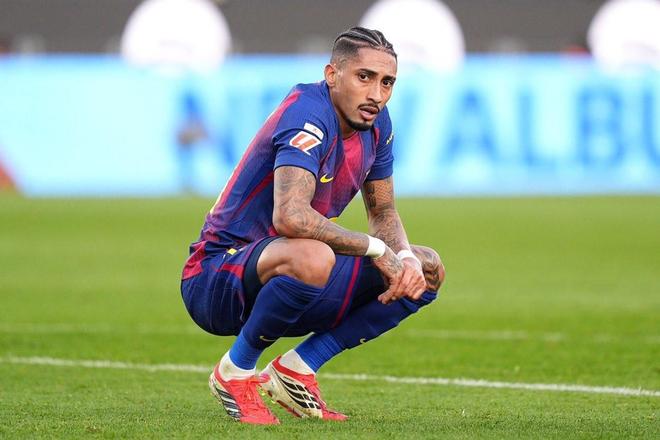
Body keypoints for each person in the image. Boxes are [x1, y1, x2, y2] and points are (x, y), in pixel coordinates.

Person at [180, 27, 445, 425]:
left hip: (290, 276)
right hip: (215, 278)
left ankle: (298, 368)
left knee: (424, 269)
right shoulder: (308, 114)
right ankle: (235, 371)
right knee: (312, 255)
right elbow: (291, 217)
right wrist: (377, 250)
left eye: (387, 82)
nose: (376, 94)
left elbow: (383, 212)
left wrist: (403, 257)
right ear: (332, 74)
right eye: (364, 77)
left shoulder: (377, 123)